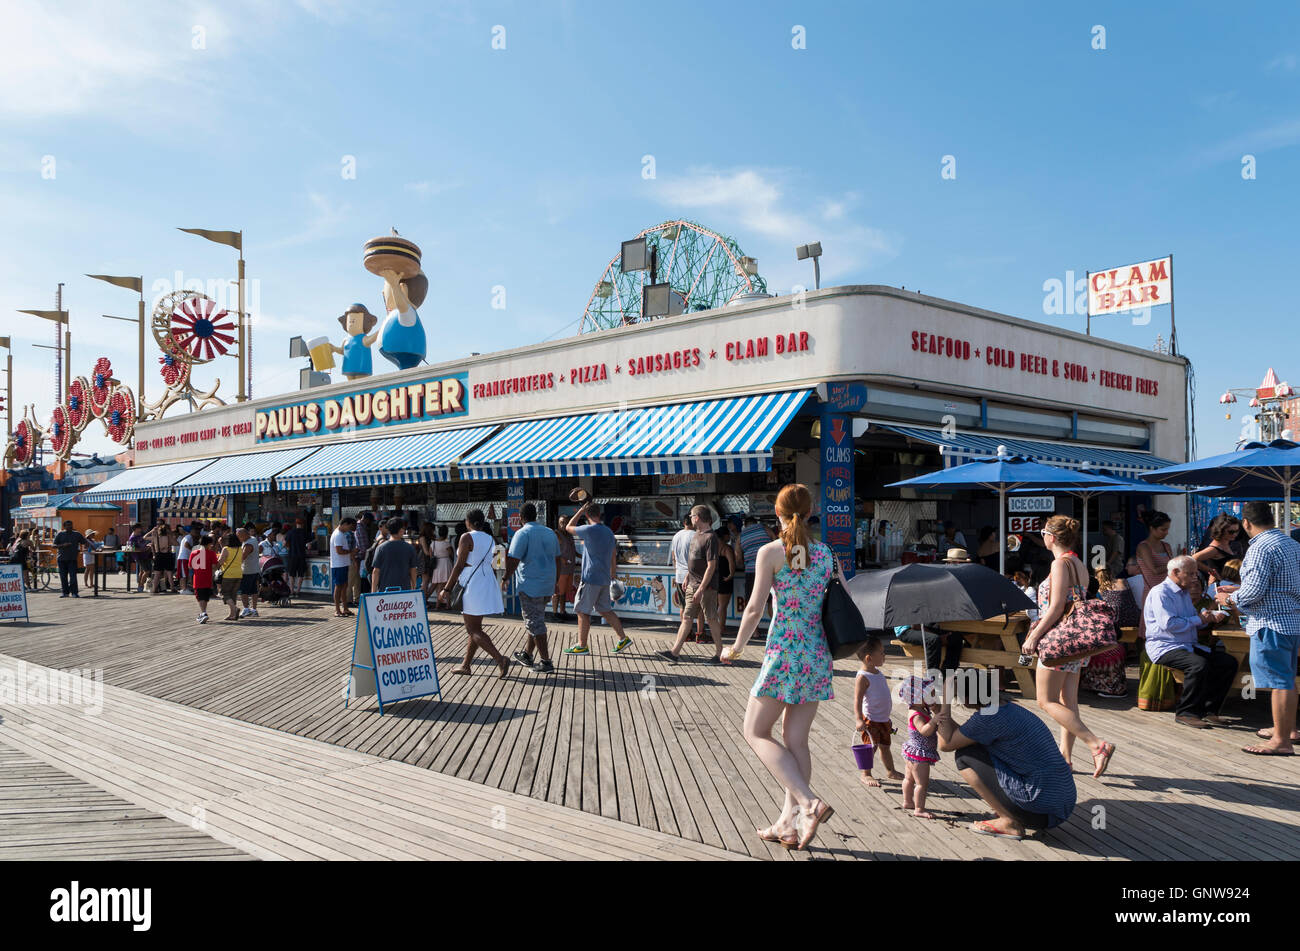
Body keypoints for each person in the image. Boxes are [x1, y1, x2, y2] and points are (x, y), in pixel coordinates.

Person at [720, 483, 836, 851]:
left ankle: (808, 803)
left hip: (785, 653)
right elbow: (841, 598)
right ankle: (788, 823)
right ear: (811, 511)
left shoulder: (772, 552)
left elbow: (754, 609)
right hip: (817, 654)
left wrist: (735, 648)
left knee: (754, 731)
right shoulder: (825, 553)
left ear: (778, 513)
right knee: (796, 741)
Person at [1021, 514, 1116, 778]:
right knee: (1068, 701)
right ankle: (1066, 758)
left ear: (1050, 537)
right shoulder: (1078, 563)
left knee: (1045, 700)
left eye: (1042, 533)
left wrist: (1033, 636)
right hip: (1076, 642)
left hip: (1058, 641)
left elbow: (1055, 608)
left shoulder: (1059, 565)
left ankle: (1097, 744)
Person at [933, 690, 1078, 840]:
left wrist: (944, 706)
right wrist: (937, 710)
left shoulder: (988, 717)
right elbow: (964, 735)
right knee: (973, 747)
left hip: (1039, 812)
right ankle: (1009, 811)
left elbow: (946, 743)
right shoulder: (1009, 708)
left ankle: (1009, 821)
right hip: (1061, 805)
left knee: (964, 756)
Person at [1215, 501, 1300, 755]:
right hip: (1292, 620)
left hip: (1270, 622)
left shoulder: (1260, 548)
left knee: (1279, 682)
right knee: (1287, 678)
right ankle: (1286, 730)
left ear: (1246, 523)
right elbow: (1278, 586)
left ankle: (1281, 741)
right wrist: (1239, 589)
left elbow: (1254, 592)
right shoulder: (1292, 544)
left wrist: (1229, 599)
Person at [1146, 555, 1239, 729]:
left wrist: (1207, 617)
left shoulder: (1182, 592)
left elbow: (1190, 618)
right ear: (1175, 572)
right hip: (1165, 647)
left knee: (1228, 662)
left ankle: (1209, 711)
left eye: (1195, 574)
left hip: (1186, 645)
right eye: (1190, 574)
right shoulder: (1161, 592)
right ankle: (1186, 712)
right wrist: (1200, 619)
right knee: (1198, 665)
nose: (1194, 578)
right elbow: (1169, 624)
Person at [437, 509, 510, 678]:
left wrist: (447, 588)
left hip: (472, 584)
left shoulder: (466, 537)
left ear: (468, 521)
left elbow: (458, 565)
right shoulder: (491, 538)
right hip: (486, 582)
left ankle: (500, 659)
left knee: (472, 629)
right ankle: (466, 665)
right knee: (475, 627)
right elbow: (497, 564)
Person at [562, 500, 632, 655]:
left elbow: (568, 527)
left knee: (582, 611)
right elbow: (613, 555)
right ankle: (623, 638)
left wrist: (580, 511)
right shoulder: (608, 532)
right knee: (605, 610)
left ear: (587, 514)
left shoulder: (588, 529)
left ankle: (582, 645)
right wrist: (612, 574)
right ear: (600, 514)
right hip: (604, 578)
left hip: (590, 577)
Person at [659, 505, 725, 663]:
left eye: (692, 515)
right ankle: (674, 652)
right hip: (693, 584)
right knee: (687, 617)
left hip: (706, 587)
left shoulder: (710, 537)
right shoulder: (697, 534)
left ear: (698, 517)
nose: (690, 518)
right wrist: (689, 576)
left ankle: (720, 653)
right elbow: (696, 561)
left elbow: (711, 566)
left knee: (711, 618)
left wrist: (701, 588)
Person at [506, 504, 562, 674]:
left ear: (521, 518)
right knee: (536, 617)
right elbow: (558, 559)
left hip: (530, 585)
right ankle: (528, 655)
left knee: (535, 622)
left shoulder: (522, 533)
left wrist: (505, 577)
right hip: (547, 585)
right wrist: (555, 581)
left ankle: (546, 662)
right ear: (536, 516)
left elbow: (513, 559)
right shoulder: (549, 532)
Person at [1135, 511, 1178, 712]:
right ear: (1152, 528)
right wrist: (1175, 564)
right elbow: (1152, 570)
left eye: (1167, 529)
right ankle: (1151, 682)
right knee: (1150, 636)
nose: (1166, 533)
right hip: (1152, 595)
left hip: (1170, 595)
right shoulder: (1143, 546)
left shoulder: (1166, 546)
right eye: (1163, 529)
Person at [853, 635, 902, 787]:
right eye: (881, 653)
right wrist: (859, 719)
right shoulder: (863, 677)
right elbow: (857, 700)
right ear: (869, 658)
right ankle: (866, 774)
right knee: (870, 748)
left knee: (885, 746)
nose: (884, 655)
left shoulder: (878, 672)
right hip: (871, 720)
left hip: (883, 719)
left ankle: (890, 770)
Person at [1085, 567, 1137, 699]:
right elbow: (1117, 633)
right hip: (1117, 645)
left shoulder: (1083, 607)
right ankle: (1116, 687)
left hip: (1102, 651)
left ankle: (1099, 686)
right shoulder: (1104, 605)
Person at [899, 675, 940, 818]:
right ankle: (919, 809)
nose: (933, 697)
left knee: (908, 779)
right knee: (921, 783)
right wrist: (934, 721)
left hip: (912, 751)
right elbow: (924, 731)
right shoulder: (917, 715)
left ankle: (907, 801)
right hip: (919, 755)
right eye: (930, 694)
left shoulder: (919, 709)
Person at [668, 515, 702, 640]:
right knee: (697, 607)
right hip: (693, 576)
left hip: (680, 575)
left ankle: (686, 634)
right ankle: (699, 632)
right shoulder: (695, 535)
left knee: (683, 606)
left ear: (683, 523)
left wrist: (677, 570)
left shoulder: (676, 535)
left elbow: (673, 557)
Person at [371, 517, 420, 592]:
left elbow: (376, 571)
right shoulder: (409, 548)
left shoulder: (381, 548)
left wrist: (373, 591)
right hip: (404, 590)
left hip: (385, 590)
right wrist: (413, 587)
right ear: (401, 530)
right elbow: (413, 570)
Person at [53, 520, 88, 598]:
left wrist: (81, 549)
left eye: (71, 525)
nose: (70, 526)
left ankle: (74, 593)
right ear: (64, 526)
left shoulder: (77, 534)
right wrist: (63, 545)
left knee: (73, 577)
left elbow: (85, 542)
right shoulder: (60, 534)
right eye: (68, 525)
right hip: (61, 559)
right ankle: (65, 593)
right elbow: (54, 545)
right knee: (63, 577)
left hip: (72, 559)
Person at [715, 523, 738, 639]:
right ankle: (721, 629)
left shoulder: (713, 547)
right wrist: (731, 575)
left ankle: (717, 628)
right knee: (723, 606)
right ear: (724, 536)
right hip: (724, 579)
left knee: (718, 605)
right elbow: (732, 564)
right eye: (728, 535)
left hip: (715, 579)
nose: (730, 537)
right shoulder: (726, 548)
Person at [330, 517, 357, 618]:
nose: (349, 529)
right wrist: (351, 551)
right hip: (338, 565)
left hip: (343, 564)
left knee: (344, 586)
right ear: (345, 524)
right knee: (339, 586)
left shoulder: (341, 534)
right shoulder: (338, 535)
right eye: (349, 527)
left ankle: (345, 608)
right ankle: (337, 610)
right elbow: (339, 551)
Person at [551, 517, 576, 620]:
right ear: (558, 523)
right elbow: (552, 551)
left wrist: (582, 556)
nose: (563, 524)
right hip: (561, 569)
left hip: (570, 568)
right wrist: (562, 559)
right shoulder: (556, 534)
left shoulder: (569, 535)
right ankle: (554, 613)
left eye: (565, 522)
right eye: (561, 522)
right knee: (557, 592)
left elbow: (573, 550)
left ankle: (562, 611)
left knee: (564, 592)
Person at [189, 534, 217, 624]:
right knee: (205, 597)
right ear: (208, 544)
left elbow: (190, 566)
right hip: (208, 578)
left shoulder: (194, 553)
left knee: (200, 597)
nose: (211, 545)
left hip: (198, 578)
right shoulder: (211, 553)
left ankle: (203, 613)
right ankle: (203, 612)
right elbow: (214, 566)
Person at [216, 532, 244, 622]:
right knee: (233, 595)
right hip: (238, 574)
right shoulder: (240, 549)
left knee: (224, 593)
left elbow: (220, 562)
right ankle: (232, 615)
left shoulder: (226, 549)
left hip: (228, 574)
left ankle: (235, 609)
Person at [234, 527, 260, 618]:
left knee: (243, 591)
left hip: (247, 571)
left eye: (239, 537)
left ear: (244, 535)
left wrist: (234, 565)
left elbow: (243, 556)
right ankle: (254, 610)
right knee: (254, 591)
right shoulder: (253, 539)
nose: (238, 539)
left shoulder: (248, 544)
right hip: (255, 569)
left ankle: (246, 609)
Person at [146, 523, 175, 594]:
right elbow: (177, 543)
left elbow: (144, 537)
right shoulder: (169, 538)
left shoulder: (155, 538)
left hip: (159, 555)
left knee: (157, 574)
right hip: (168, 555)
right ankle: (172, 588)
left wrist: (151, 531)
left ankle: (154, 589)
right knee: (169, 573)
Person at [283, 518, 309, 596]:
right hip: (302, 556)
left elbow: (284, 544)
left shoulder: (290, 532)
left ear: (296, 524)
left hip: (292, 555)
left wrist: (289, 547)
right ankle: (298, 591)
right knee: (301, 574)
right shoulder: (305, 533)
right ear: (303, 524)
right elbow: (308, 545)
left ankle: (291, 591)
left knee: (292, 574)